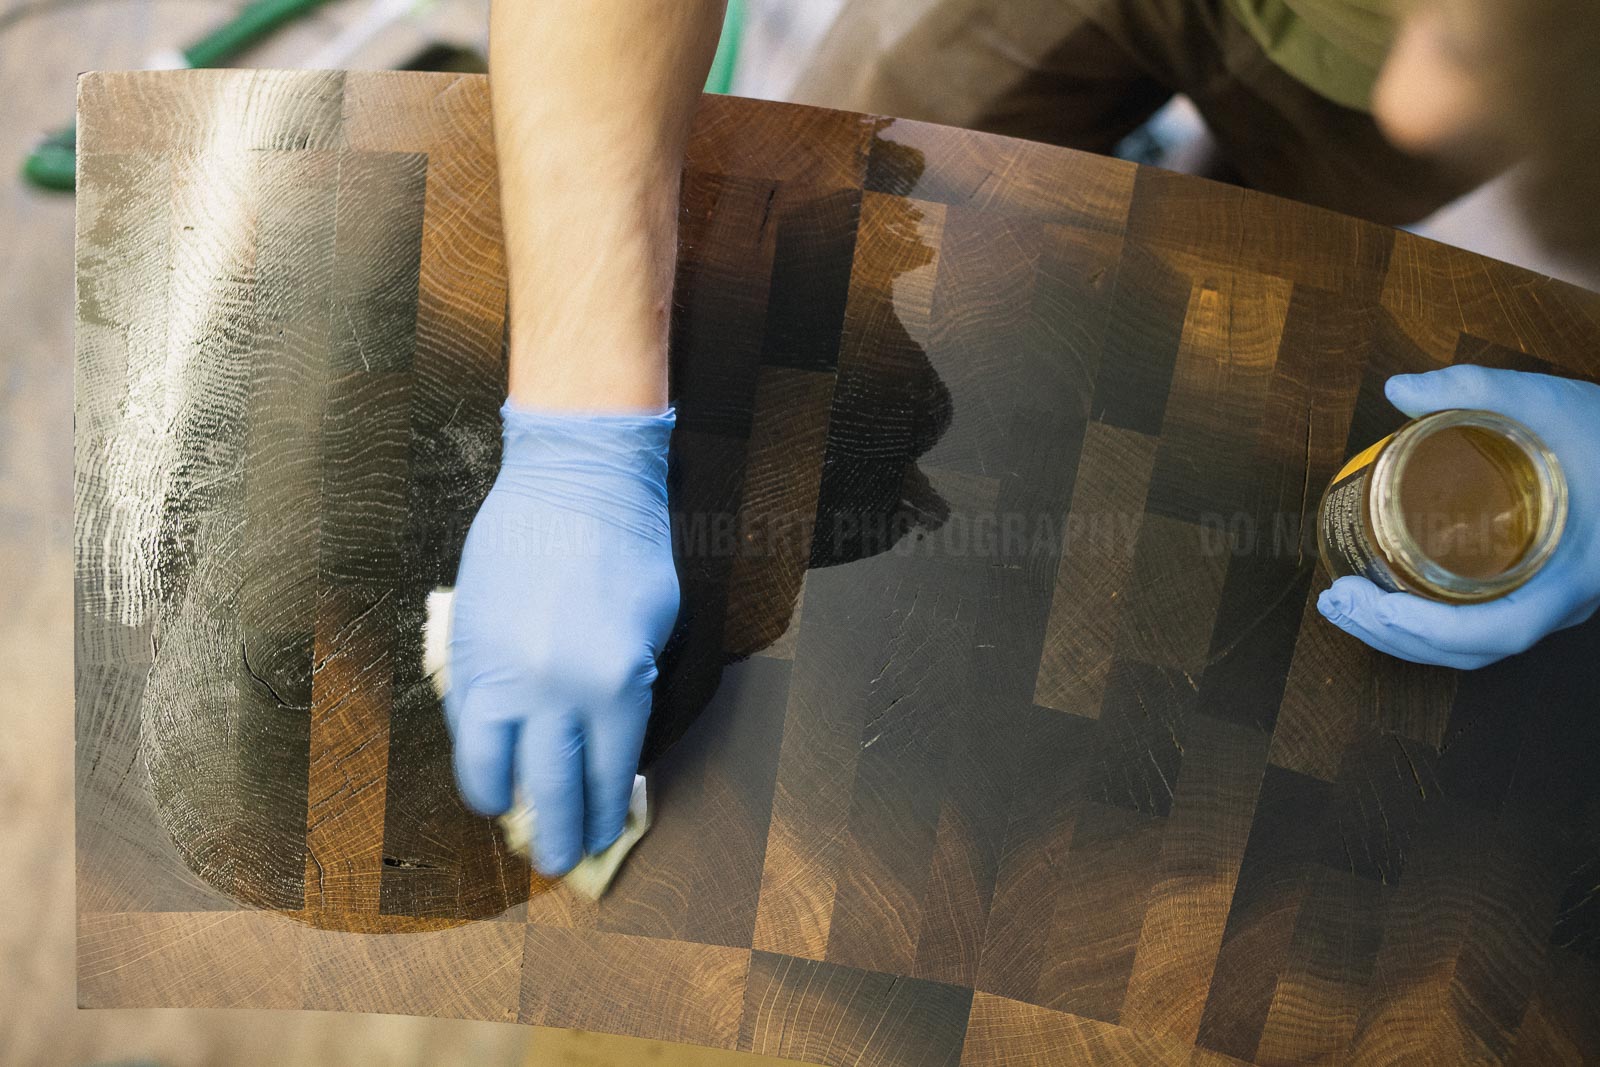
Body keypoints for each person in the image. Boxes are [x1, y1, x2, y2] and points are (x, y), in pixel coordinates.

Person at [446, 0, 1600, 876]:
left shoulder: (1407, 86)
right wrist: (578, 425)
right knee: (857, 170)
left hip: (1320, 104)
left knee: (1253, 235)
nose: (1421, 110)